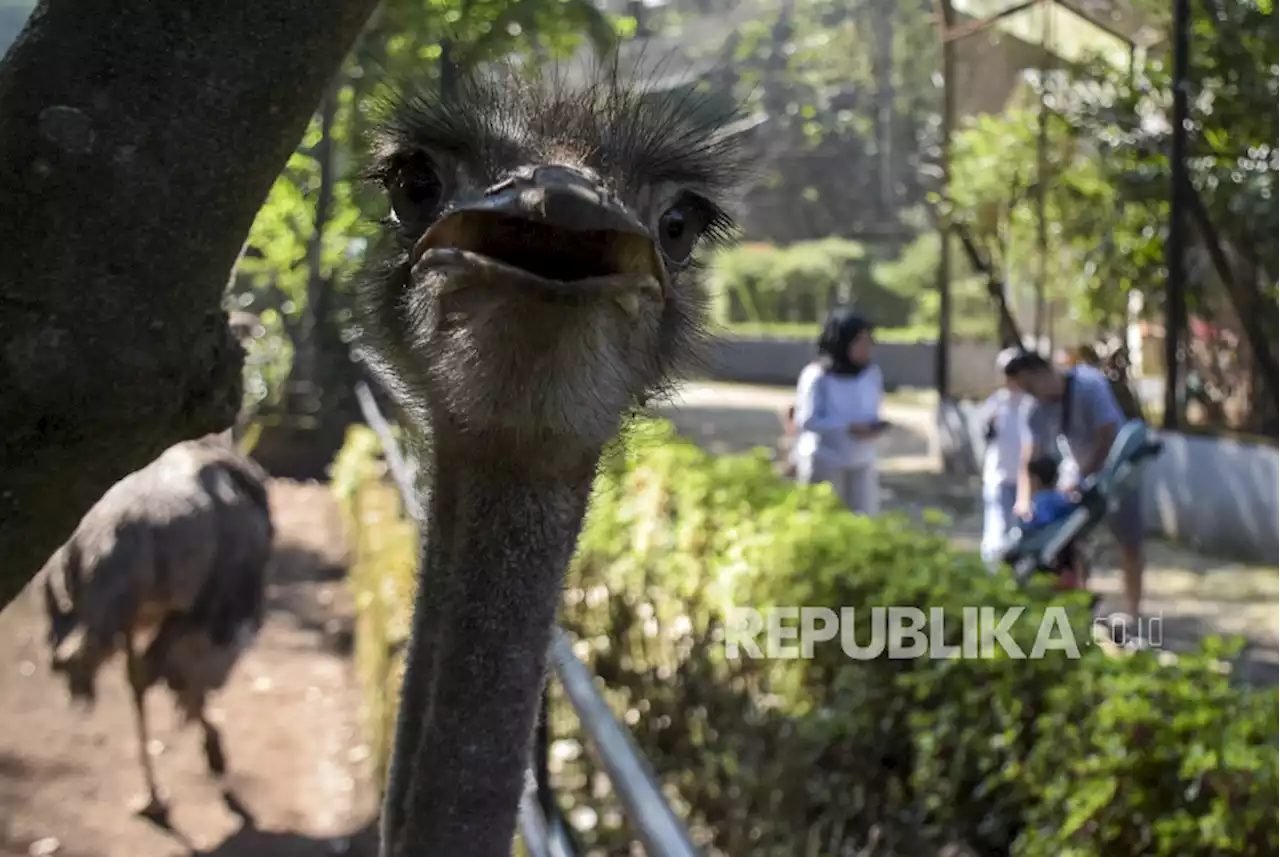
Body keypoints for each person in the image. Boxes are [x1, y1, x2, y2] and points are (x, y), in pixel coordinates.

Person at [1005, 350, 1146, 621]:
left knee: (1129, 542)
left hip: (1114, 470)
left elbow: (1106, 436)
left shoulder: (1088, 385)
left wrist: (1083, 476)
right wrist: (1024, 500)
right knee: (1071, 539)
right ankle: (1080, 607)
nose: (1029, 393)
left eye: (1030, 385)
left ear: (1044, 372)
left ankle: (1135, 613)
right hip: (1076, 475)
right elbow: (1029, 458)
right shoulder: (1035, 408)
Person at [792, 307, 887, 515]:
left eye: (869, 340)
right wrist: (846, 428)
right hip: (825, 460)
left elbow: (873, 409)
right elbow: (806, 419)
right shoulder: (817, 376)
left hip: (862, 459)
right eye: (860, 341)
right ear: (843, 341)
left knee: (864, 521)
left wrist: (874, 427)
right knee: (823, 518)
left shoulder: (871, 374)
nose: (867, 347)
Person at [978, 348, 1031, 569]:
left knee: (1019, 533)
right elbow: (986, 434)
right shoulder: (996, 403)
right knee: (996, 530)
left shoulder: (1031, 404)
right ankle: (993, 575)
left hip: (1025, 481)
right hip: (999, 477)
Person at [1019, 454, 1089, 590]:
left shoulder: (1041, 501)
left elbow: (1043, 524)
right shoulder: (1061, 499)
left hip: (1047, 551)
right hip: (1065, 548)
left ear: (1036, 480)